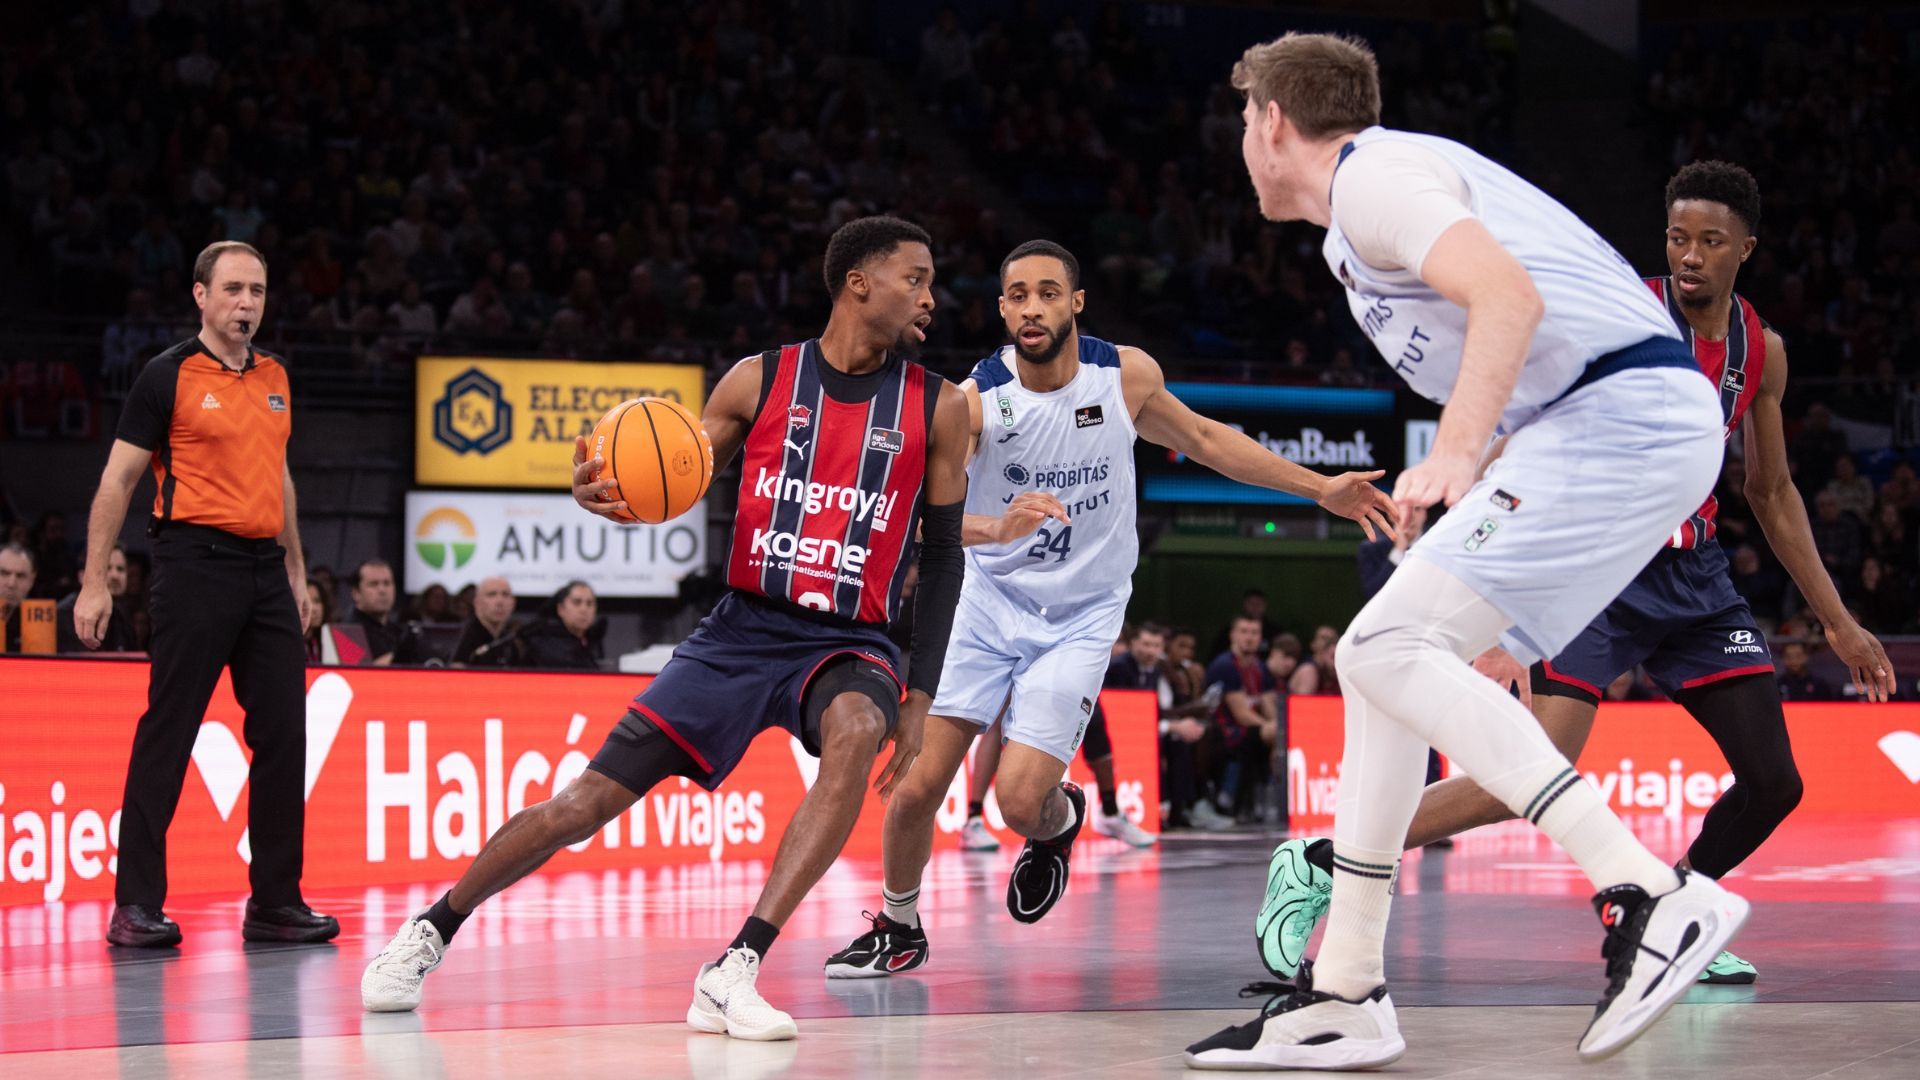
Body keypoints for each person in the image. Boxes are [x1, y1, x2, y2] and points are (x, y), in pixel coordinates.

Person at [1185, 35, 1748, 1070]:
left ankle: (1648, 892)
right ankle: (1346, 990)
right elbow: (1527, 351)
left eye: (1244, 120)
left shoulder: (1374, 178)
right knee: (1383, 667)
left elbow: (1508, 298)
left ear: (1272, 120)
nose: (1242, 141)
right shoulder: (1359, 220)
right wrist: (1484, 498)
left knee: (1380, 649)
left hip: (1621, 417)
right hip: (1598, 425)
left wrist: (1451, 454)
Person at [1262, 158, 1898, 990]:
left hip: (1695, 581)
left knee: (1774, 783)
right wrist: (1463, 511)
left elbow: (1772, 492)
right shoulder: (1624, 308)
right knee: (1519, 778)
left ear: (1746, 247)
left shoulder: (1760, 351)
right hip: (1598, 566)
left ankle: (1674, 914)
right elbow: (1524, 422)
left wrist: (1838, 623)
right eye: (1678, 237)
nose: (1690, 255)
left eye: (1711, 241)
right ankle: (1319, 859)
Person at [361, 216, 970, 1043]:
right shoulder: (760, 381)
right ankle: (431, 929)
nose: (931, 297)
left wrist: (920, 691)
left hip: (848, 642)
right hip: (741, 630)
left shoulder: (939, 406)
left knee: (859, 727)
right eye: (916, 278)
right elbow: (669, 476)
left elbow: (943, 558)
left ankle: (736, 967)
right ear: (859, 283)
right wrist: (605, 489)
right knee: (582, 804)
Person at [824, 238, 1393, 979]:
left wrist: (1320, 489)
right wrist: (999, 529)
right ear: (1002, 311)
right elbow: (919, 520)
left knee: (1019, 804)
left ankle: (1057, 823)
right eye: (1018, 296)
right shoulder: (975, 404)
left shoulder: (1123, 378)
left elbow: (1206, 439)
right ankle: (898, 928)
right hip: (990, 606)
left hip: (1082, 616)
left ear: (1076, 302)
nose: (1033, 308)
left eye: (1047, 293)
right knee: (914, 788)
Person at [74, 240, 336, 948]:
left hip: (265, 571)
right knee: (171, 729)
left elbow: (278, 476)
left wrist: (297, 570)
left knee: (285, 734)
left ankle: (275, 901)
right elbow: (118, 480)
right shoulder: (167, 375)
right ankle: (135, 905)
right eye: (232, 290)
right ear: (201, 295)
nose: (246, 303)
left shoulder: (277, 375)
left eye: (257, 291)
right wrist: (94, 581)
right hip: (193, 564)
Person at [1205, 614, 1281, 821]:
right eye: (1244, 631)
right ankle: (1257, 797)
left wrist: (1277, 728)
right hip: (1225, 731)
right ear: (1233, 635)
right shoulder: (1226, 665)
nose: (1249, 637)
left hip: (1250, 730)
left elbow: (1267, 703)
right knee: (1274, 733)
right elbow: (1242, 715)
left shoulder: (1260, 667)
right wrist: (1272, 729)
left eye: (1254, 633)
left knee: (1280, 734)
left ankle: (1269, 798)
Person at [57, 544, 136, 652]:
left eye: (120, 569)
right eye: (107, 568)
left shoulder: (124, 619)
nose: (115, 575)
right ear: (82, 576)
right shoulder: (61, 616)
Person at [517, 580, 600, 670]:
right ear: (561, 609)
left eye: (589, 604)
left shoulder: (593, 640)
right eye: (577, 602)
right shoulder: (545, 642)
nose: (584, 609)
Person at [451, 575, 518, 665]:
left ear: (513, 603)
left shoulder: (510, 643)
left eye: (505, 595)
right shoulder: (460, 640)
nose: (499, 602)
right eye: (492, 594)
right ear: (477, 602)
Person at [0, 541, 36, 651]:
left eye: (20, 576)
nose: (11, 584)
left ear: (32, 580)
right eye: (4, 573)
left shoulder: (39, 624)